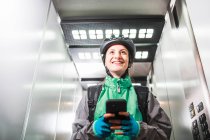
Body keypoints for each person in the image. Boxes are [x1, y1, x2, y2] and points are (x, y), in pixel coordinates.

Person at [71, 36, 172, 140]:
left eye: (123, 52)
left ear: (129, 62)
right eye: (112, 52)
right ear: (105, 61)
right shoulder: (91, 95)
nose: (117, 56)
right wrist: (93, 130)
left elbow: (164, 133)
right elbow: (75, 136)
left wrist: (140, 129)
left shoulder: (144, 95)